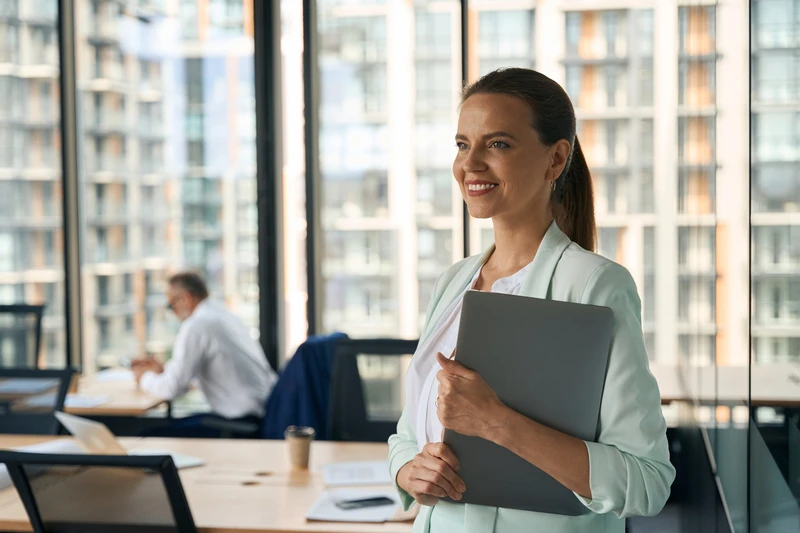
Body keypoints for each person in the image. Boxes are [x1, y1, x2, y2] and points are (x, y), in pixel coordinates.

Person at [388, 68, 675, 532]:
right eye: (463, 144)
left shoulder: (595, 286)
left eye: (498, 144)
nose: (471, 164)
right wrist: (409, 470)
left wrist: (495, 422)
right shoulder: (454, 282)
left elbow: (646, 482)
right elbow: (407, 432)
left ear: (556, 158)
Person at [132, 271, 277, 432]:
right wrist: (163, 371)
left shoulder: (196, 325)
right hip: (264, 412)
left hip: (239, 420)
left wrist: (143, 377)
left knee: (147, 435)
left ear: (186, 298)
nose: (172, 312)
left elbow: (173, 389)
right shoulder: (223, 314)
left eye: (171, 305)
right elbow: (191, 375)